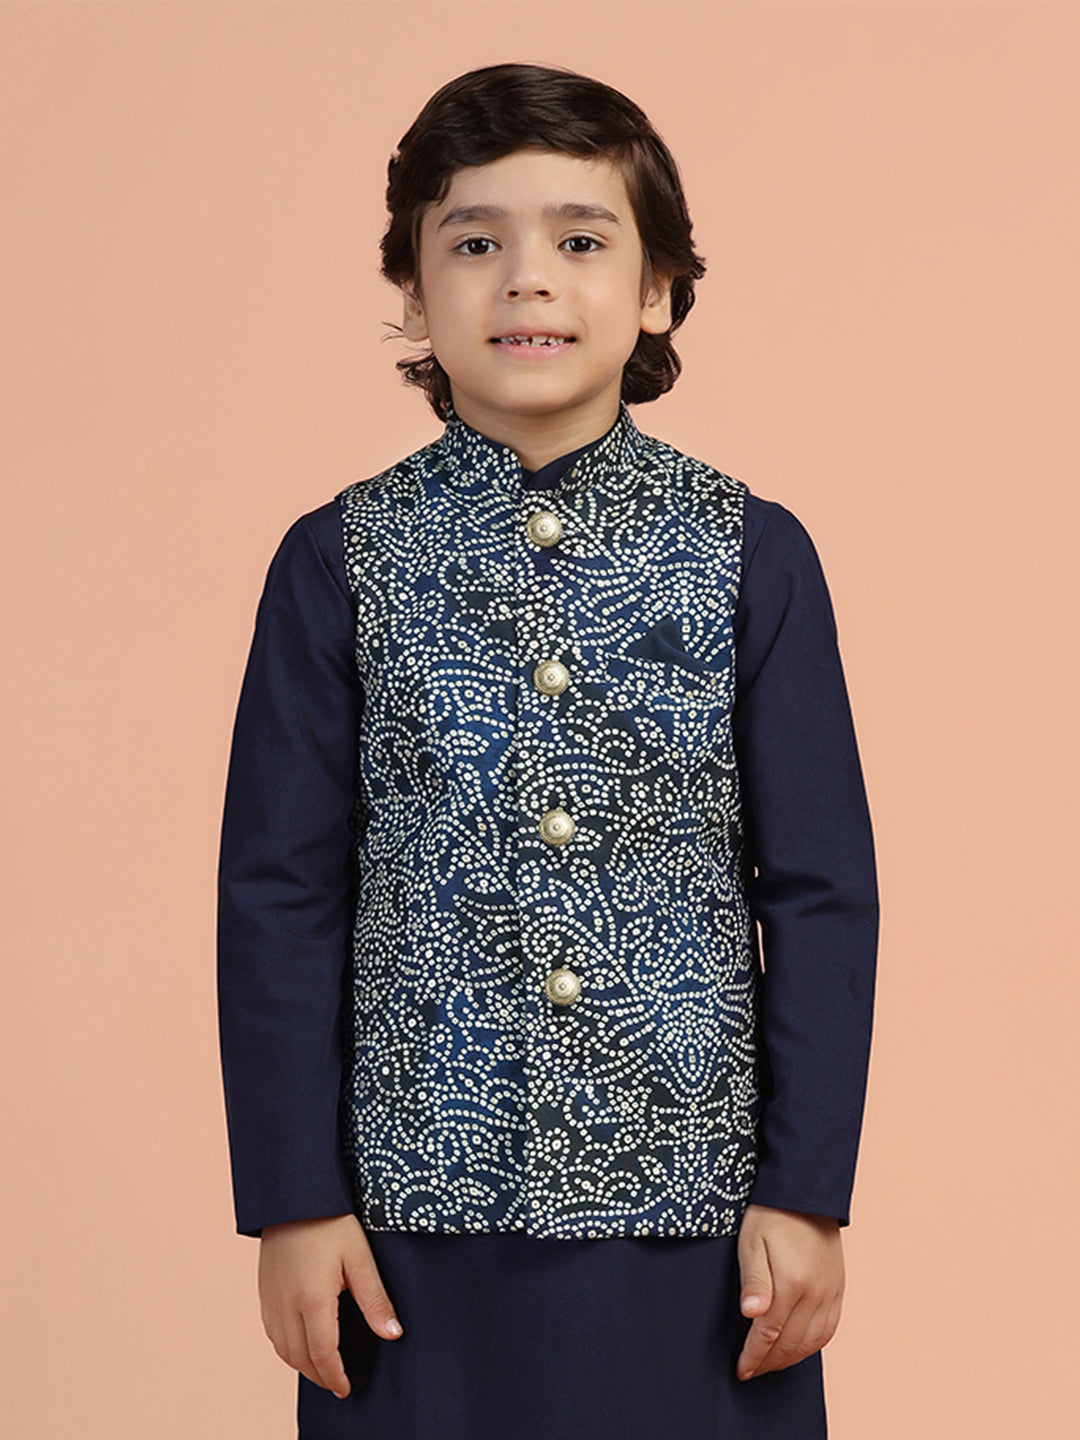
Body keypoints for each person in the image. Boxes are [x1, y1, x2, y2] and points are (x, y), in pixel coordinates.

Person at [216, 61, 879, 1440]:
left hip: (697, 1216)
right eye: (475, 244)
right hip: (408, 1217)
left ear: (656, 292)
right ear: (414, 294)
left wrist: (807, 1191)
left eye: (581, 241)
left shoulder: (751, 553)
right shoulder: (337, 561)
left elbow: (821, 893)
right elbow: (279, 895)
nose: (528, 279)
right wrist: (293, 1202)